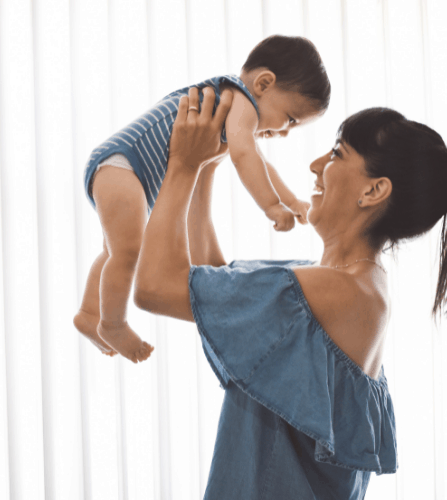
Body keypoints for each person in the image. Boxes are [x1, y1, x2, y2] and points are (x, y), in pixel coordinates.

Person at [134, 86, 447, 498]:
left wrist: (181, 164)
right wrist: (205, 169)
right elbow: (213, 280)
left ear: (374, 191)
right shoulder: (340, 283)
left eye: (337, 154)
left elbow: (155, 288)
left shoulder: (333, 291)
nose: (315, 165)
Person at [74, 35, 331, 363]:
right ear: (264, 83)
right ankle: (112, 323)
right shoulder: (239, 99)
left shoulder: (229, 109)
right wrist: (271, 206)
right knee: (128, 251)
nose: (283, 132)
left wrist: (292, 200)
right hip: (123, 163)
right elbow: (245, 155)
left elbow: (259, 161)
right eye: (290, 120)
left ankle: (88, 313)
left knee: (117, 251)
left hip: (120, 167)